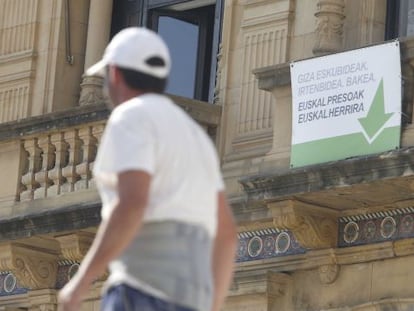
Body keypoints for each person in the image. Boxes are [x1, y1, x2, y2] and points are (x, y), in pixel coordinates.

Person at [58, 27, 237, 311]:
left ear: (114, 74)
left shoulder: (130, 116)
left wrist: (81, 282)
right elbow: (226, 233)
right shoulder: (195, 136)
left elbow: (132, 202)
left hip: (141, 292)